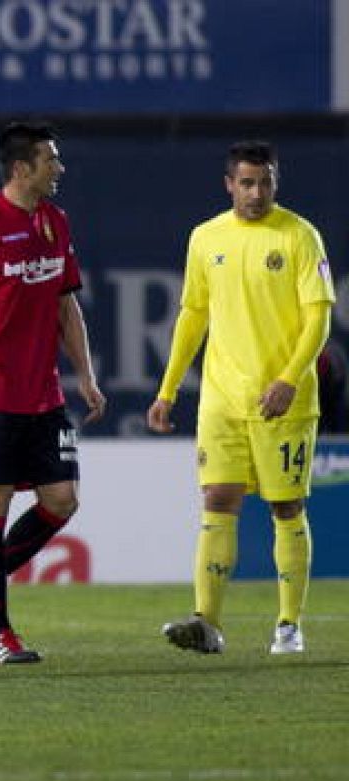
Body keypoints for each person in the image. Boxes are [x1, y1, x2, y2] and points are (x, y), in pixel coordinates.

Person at [149, 141, 336, 655]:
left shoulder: (300, 236)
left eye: (266, 182)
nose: (256, 193)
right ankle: (206, 622)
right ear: (229, 183)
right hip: (221, 399)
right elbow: (192, 317)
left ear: (276, 182)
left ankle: (288, 625)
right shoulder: (206, 238)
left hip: (284, 400)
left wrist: (290, 378)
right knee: (218, 500)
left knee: (285, 505)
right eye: (247, 183)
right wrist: (167, 391)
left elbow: (318, 317)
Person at [0, 121, 106, 664]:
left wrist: (85, 373)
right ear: (22, 168)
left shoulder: (55, 222)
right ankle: (0, 635)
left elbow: (65, 304)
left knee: (61, 501)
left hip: (43, 394)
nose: (60, 168)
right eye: (51, 160)